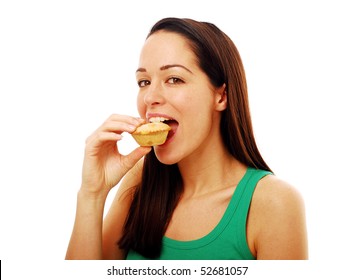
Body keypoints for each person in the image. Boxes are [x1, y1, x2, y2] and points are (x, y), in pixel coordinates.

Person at [65, 17, 308, 260]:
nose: (150, 97)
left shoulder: (274, 203)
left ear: (221, 96)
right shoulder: (139, 183)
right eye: (144, 82)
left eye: (174, 79)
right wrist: (92, 193)